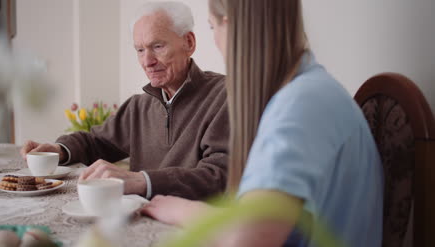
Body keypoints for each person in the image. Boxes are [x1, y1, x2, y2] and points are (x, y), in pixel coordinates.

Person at [141, 0, 383, 246]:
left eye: (212, 27)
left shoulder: (300, 105)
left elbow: (248, 237)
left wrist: (181, 210)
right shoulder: (310, 92)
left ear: (231, 26)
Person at [20, 1, 229, 200]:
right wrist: (58, 150)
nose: (147, 61)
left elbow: (219, 175)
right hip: (139, 219)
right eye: (140, 50)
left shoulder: (226, 95)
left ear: (189, 43)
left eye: (157, 46)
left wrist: (142, 181)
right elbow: (96, 142)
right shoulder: (139, 105)